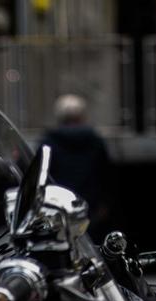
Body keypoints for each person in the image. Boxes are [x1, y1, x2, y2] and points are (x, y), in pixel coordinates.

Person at [40, 94, 113, 236]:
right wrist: (104, 204)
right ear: (82, 116)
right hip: (90, 207)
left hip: (59, 207)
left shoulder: (49, 143)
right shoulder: (95, 141)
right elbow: (106, 176)